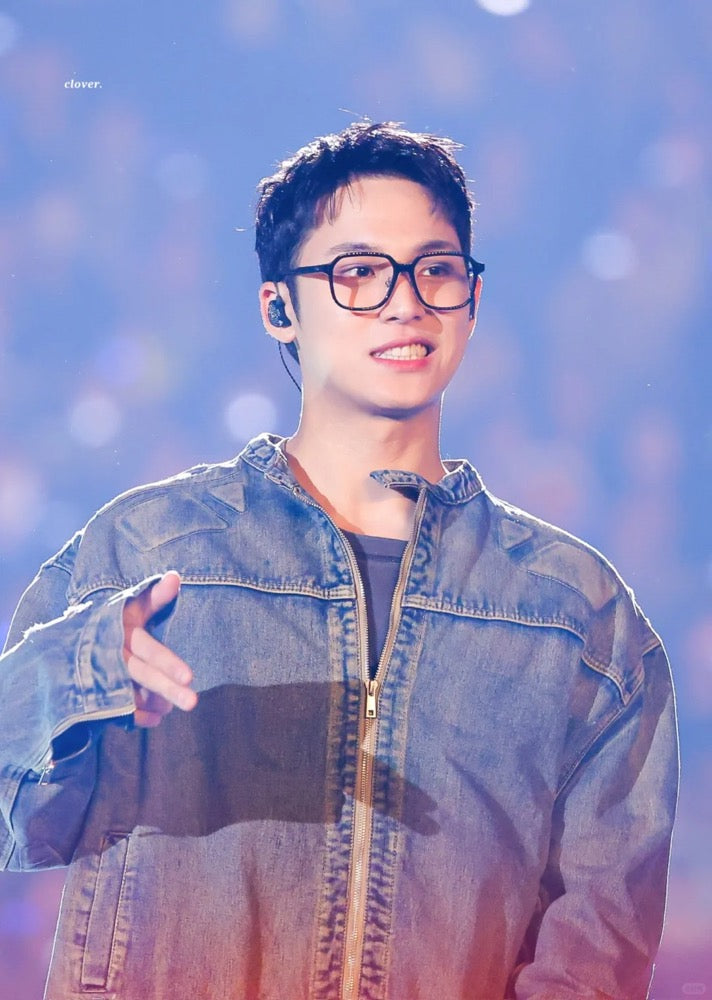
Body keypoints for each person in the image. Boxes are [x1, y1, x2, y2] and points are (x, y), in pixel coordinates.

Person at [0, 122, 678, 1000]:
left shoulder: (577, 616)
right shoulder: (147, 553)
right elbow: (16, 819)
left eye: (436, 270)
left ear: (472, 299)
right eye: (359, 272)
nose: (405, 303)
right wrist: (76, 671)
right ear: (279, 306)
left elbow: (596, 957)